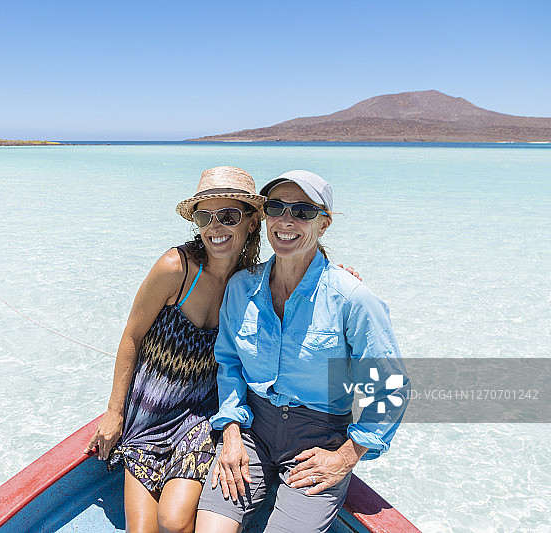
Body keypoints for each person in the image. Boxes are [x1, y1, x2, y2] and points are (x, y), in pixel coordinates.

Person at [196, 170, 410, 533]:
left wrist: (346, 457)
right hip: (252, 432)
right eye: (277, 207)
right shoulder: (241, 287)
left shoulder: (351, 298)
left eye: (303, 211)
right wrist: (230, 429)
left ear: (324, 224)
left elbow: (388, 386)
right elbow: (229, 362)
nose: (286, 219)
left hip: (318, 442)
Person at [85, 166, 267, 533]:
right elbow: (132, 336)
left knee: (174, 522)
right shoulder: (176, 268)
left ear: (250, 223)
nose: (215, 227)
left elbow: (300, 274)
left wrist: (337, 273)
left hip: (200, 417)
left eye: (228, 216)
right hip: (148, 414)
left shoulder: (252, 281)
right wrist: (113, 411)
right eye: (205, 217)